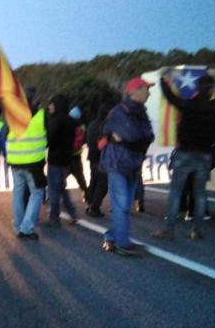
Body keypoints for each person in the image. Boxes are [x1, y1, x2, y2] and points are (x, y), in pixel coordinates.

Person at [152, 68, 215, 240]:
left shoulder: (189, 104)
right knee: (200, 194)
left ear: (197, 88)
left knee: (176, 192)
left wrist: (163, 79)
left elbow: (170, 97)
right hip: (204, 154)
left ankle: (169, 229)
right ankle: (197, 230)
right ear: (212, 88)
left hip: (185, 153)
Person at [100, 77, 154, 255]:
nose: (149, 92)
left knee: (124, 205)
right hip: (118, 162)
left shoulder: (141, 112)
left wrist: (133, 138)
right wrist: (135, 138)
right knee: (122, 204)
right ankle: (123, 243)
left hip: (133, 163)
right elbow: (133, 135)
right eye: (146, 88)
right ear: (134, 91)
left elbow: (149, 136)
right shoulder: (119, 111)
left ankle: (111, 237)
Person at [5, 98, 47, 240]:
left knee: (18, 193)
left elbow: (5, 135)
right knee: (37, 193)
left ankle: (18, 227)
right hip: (33, 163)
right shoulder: (40, 116)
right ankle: (27, 228)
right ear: (35, 103)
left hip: (15, 162)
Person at [46, 94, 78, 227]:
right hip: (66, 160)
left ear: (57, 105)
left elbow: (50, 140)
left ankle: (54, 218)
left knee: (53, 189)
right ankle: (72, 212)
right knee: (61, 188)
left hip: (55, 160)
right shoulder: (71, 121)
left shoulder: (56, 120)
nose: (49, 106)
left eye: (52, 104)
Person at [85, 103, 112, 217]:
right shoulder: (106, 126)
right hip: (102, 157)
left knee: (94, 181)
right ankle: (94, 207)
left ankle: (90, 203)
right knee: (103, 184)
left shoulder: (92, 124)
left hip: (92, 156)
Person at [66, 106, 88, 201]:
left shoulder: (66, 124)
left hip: (66, 156)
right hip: (76, 156)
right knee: (81, 179)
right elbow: (83, 140)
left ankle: (50, 196)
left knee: (60, 179)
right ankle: (87, 196)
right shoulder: (82, 126)